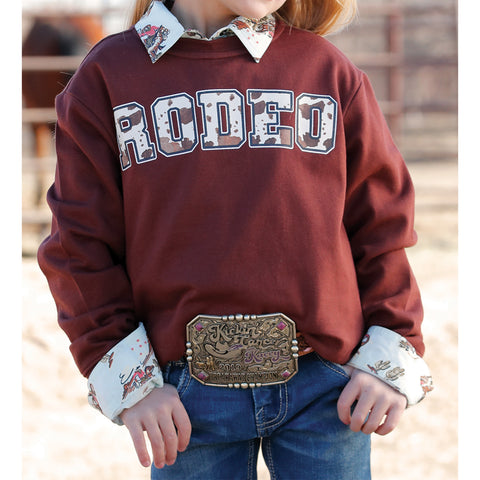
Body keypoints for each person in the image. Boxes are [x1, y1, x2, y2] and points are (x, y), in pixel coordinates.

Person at [38, 1, 433, 479]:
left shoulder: (326, 70)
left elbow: (381, 223)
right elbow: (78, 247)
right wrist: (133, 384)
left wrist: (391, 347)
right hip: (183, 401)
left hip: (327, 389)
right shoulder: (107, 77)